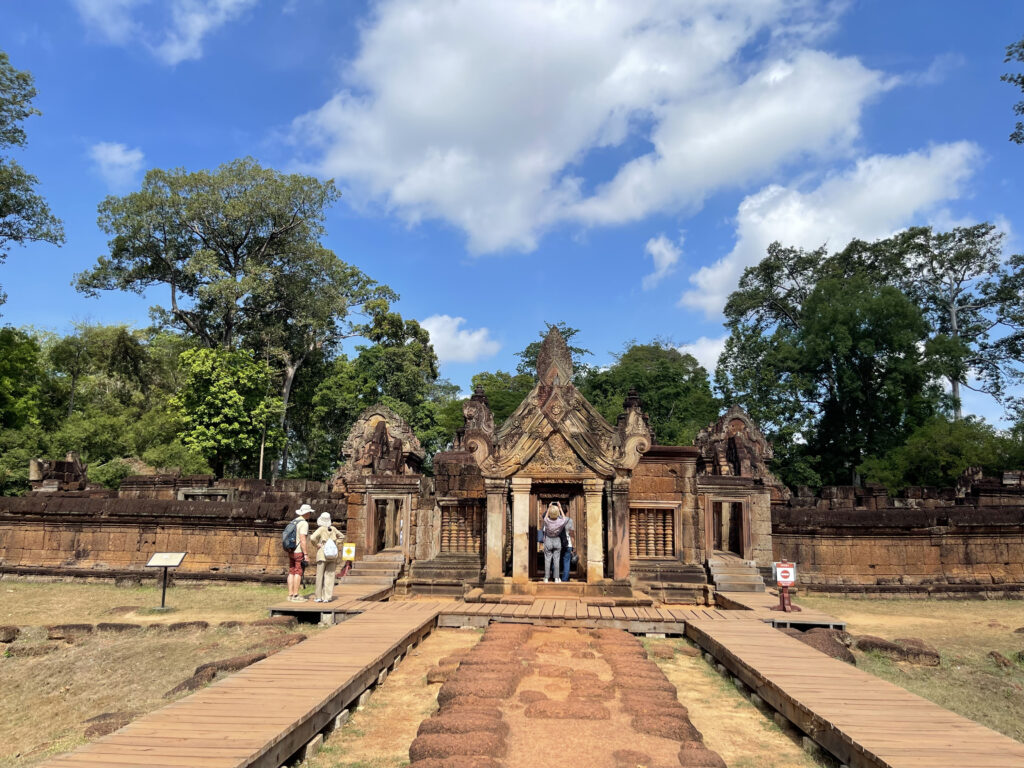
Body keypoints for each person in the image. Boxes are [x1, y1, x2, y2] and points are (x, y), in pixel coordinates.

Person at [309, 512, 345, 603]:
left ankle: (318, 596)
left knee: (320, 576)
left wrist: (317, 544)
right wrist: (335, 543)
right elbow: (342, 536)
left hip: (322, 553)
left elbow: (312, 538)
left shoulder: (321, 529)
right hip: (332, 555)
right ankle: (327, 597)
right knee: (330, 575)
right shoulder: (333, 528)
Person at [286, 504, 312, 602]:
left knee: (291, 571)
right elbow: (303, 539)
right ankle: (296, 595)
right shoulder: (304, 523)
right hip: (298, 551)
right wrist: (305, 554)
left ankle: (290, 594)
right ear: (306, 513)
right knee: (298, 571)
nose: (310, 514)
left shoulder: (294, 521)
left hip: (291, 550)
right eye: (309, 512)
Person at [538, 502, 568, 583]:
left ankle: (546, 578)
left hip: (548, 540)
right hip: (557, 540)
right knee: (556, 560)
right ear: (557, 513)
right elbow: (565, 519)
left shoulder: (547, 521)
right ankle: (557, 578)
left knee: (547, 560)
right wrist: (560, 507)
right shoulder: (560, 522)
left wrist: (549, 507)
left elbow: (545, 517)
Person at [560, 508, 575, 582]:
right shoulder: (570, 520)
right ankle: (565, 579)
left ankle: (555, 577)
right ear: (567, 511)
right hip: (568, 543)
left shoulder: (556, 520)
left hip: (558, 544)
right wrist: (573, 546)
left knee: (555, 561)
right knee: (566, 562)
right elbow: (572, 534)